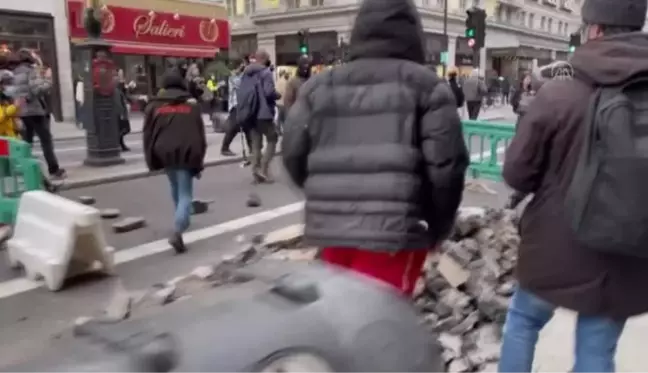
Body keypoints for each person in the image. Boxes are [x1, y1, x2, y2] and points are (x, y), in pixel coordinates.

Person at [499, 0, 648, 372]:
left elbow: (517, 173)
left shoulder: (559, 93)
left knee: (522, 325)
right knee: (597, 353)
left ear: (594, 30)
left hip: (554, 249)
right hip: (628, 257)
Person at [281, 0, 468, 296]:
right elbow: (446, 168)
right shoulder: (428, 87)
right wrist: (437, 227)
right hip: (396, 233)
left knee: (337, 319)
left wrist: (325, 196)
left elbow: (292, 152)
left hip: (333, 231)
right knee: (381, 325)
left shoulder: (319, 86)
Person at [143, 73, 206, 254]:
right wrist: (199, 160)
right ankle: (178, 230)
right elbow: (199, 135)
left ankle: (180, 214)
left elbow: (147, 134)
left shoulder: (154, 106)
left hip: (163, 151)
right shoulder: (192, 106)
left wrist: (150, 159)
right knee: (185, 191)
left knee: (174, 184)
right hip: (186, 152)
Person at [13, 49, 65, 179]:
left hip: (21, 112)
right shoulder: (31, 71)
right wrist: (48, 80)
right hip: (35, 111)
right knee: (46, 141)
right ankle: (54, 169)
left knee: (26, 143)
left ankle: (23, 170)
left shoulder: (15, 72)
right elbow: (37, 89)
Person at [241, 50, 281, 183]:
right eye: (268, 58)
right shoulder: (266, 72)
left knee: (256, 144)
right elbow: (268, 92)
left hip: (250, 112)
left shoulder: (246, 73)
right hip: (263, 113)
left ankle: (255, 171)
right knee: (272, 138)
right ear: (263, 59)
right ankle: (264, 167)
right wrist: (277, 95)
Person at [220, 58, 252, 156]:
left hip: (243, 105)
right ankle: (224, 148)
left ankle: (252, 148)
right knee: (233, 127)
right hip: (235, 105)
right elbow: (240, 84)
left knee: (247, 127)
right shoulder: (233, 76)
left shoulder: (242, 76)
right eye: (242, 65)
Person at [116, 69, 131, 151]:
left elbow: (125, 95)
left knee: (124, 129)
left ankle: (121, 144)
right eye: (120, 72)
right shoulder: (117, 84)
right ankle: (119, 143)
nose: (121, 74)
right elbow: (119, 96)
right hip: (120, 110)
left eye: (122, 72)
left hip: (123, 108)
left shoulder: (122, 83)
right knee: (124, 129)